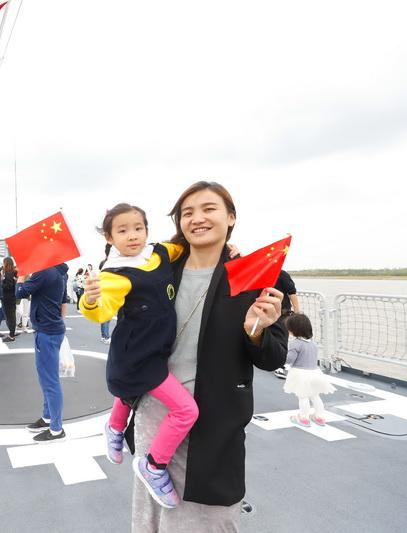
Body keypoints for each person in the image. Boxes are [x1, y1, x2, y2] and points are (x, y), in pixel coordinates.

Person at [131, 181, 287, 532]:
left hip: (214, 422)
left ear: (231, 217)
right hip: (156, 413)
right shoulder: (158, 272)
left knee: (213, 517)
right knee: (151, 518)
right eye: (187, 212)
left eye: (209, 209)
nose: (197, 218)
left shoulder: (256, 276)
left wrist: (256, 328)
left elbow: (273, 357)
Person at [81, 203, 197, 508]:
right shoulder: (114, 274)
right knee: (186, 411)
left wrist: (227, 250)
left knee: (130, 392)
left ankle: (115, 427)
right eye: (122, 230)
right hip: (136, 354)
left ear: (147, 229)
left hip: (157, 347)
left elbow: (183, 247)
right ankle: (154, 466)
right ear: (109, 237)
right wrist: (91, 299)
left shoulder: (159, 252)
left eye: (138, 228)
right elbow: (102, 309)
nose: (132, 236)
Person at [17, 262, 70, 442]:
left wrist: (21, 276)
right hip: (54, 329)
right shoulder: (60, 272)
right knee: (48, 378)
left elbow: (20, 292)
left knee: (50, 381)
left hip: (46, 332)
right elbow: (64, 301)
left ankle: (56, 429)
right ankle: (48, 418)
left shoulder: (43, 271)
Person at [283, 313, 335, 426]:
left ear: (294, 330)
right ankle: (319, 417)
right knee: (315, 396)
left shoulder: (295, 344)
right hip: (315, 373)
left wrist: (281, 357)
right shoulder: (313, 344)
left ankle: (303, 418)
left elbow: (289, 359)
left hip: (300, 374)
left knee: (303, 397)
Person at [273, 269, 301, 379]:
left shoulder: (282, 274)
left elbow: (292, 292)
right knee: (268, 338)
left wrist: (297, 312)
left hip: (282, 313)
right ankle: (271, 361)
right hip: (265, 312)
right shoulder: (262, 273)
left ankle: (280, 366)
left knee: (282, 338)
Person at [0, 257, 18, 342]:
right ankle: (13, 332)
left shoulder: (8, 273)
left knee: (10, 316)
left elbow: (9, 286)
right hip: (12, 297)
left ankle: (11, 335)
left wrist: (1, 282)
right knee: (12, 315)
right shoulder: (13, 272)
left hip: (7, 297)